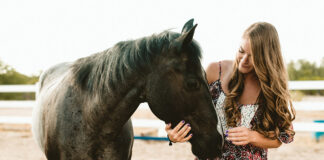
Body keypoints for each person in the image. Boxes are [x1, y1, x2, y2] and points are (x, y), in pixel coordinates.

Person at [165, 22, 295, 159]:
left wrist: (253, 137)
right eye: (241, 51)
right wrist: (173, 134)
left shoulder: (272, 89)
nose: (244, 60)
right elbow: (187, 112)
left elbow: (280, 138)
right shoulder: (215, 71)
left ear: (266, 57)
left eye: (252, 56)